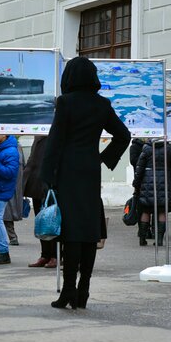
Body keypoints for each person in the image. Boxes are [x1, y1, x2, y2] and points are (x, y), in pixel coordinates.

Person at [41, 56, 130, 309]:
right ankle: (84, 291)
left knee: (70, 232)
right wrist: (103, 158)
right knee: (89, 231)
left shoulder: (65, 102)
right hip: (90, 172)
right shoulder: (102, 104)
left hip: (67, 172)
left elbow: (55, 140)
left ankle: (68, 290)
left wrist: (47, 176)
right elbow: (123, 135)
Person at [132, 140, 171, 247]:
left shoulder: (146, 148)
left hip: (147, 182)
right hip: (165, 181)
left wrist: (137, 183)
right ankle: (159, 240)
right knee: (162, 210)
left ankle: (142, 239)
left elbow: (139, 168)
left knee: (145, 210)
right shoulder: (170, 148)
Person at [24, 135, 55, 269]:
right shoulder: (38, 133)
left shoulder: (54, 132)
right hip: (36, 183)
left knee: (52, 220)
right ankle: (45, 254)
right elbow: (34, 158)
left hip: (49, 184)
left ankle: (55, 255)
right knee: (41, 221)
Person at [0, 134, 20, 265]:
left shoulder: (11, 150)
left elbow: (10, 173)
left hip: (1, 189)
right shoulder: (2, 148)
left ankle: (3, 251)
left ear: (4, 134)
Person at [2, 142, 25, 246]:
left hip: (6, 185)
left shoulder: (5, 148)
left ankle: (12, 236)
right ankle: (0, 231)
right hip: (16, 184)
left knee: (5, 211)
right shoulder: (18, 146)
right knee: (3, 212)